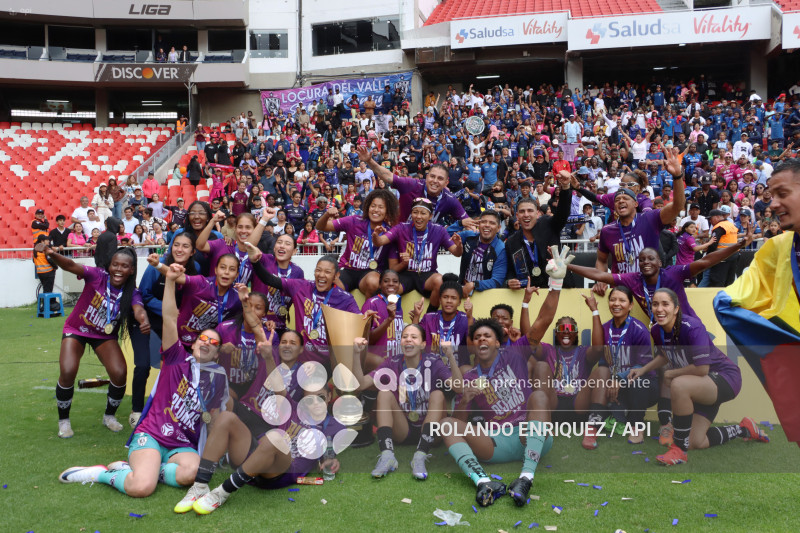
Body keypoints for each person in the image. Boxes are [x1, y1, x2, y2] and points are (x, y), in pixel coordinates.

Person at [58, 264, 228, 497]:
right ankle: (100, 474)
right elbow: (169, 317)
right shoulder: (177, 357)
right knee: (141, 487)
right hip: (153, 434)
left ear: (218, 354)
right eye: (203, 339)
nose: (207, 343)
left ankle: (149, 468)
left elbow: (215, 420)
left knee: (193, 473)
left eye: (214, 343)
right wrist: (169, 281)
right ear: (195, 343)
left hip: (181, 444)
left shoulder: (216, 380)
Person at [713, 158, 800, 444]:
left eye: (782, 194)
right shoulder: (777, 249)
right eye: (771, 195)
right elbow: (734, 297)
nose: (772, 204)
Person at [629, 289, 768, 465]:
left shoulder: (692, 327)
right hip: (700, 385)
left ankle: (678, 451)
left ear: (676, 308)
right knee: (696, 442)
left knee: (679, 384)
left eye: (665, 304)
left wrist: (672, 373)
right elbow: (665, 355)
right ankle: (743, 429)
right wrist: (643, 369)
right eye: (655, 304)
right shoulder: (657, 330)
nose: (659, 309)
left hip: (725, 378)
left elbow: (702, 369)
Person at [33, 245, 150, 438]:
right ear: (109, 265)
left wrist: (143, 320)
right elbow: (70, 265)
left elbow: (139, 310)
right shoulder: (97, 275)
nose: (118, 269)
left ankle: (109, 417)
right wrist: (52, 254)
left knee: (120, 373)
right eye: (115, 265)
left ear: (132, 270)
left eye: (124, 266)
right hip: (77, 329)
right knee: (68, 370)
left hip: (104, 335)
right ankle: (64, 421)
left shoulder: (132, 292)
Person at [350, 328, 462, 480]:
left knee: (438, 394)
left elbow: (459, 387)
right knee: (384, 393)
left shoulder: (433, 361)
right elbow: (360, 385)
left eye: (414, 337)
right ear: (401, 342)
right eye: (405, 337)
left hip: (430, 432)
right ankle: (387, 455)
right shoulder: (392, 362)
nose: (408, 339)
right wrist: (356, 354)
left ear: (422, 344)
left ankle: (420, 456)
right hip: (403, 430)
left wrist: (450, 355)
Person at [249, 247, 371, 364]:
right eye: (318, 270)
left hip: (331, 361)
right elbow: (270, 280)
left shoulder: (345, 298)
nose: (321, 275)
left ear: (336, 276)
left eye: (327, 272)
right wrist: (255, 262)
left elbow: (359, 323)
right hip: (303, 360)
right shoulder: (302, 287)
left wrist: (366, 318)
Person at [593, 146, 687, 294]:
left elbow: (677, 207)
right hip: (622, 292)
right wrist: (601, 279)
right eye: (617, 199)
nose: (621, 201)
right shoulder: (607, 230)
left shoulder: (649, 219)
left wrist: (677, 177)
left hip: (651, 289)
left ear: (636, 203)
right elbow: (601, 260)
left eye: (625, 198)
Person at [130, 232, 200, 426]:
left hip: (177, 326)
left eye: (185, 246)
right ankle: (137, 410)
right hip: (150, 323)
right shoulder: (156, 267)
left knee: (178, 367)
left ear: (193, 251)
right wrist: (168, 311)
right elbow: (144, 294)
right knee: (143, 366)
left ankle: (175, 407)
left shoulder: (197, 269)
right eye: (176, 245)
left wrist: (179, 316)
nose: (180, 249)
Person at [591, 286, 657, 444]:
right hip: (617, 387)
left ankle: (636, 427)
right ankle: (615, 415)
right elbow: (603, 363)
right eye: (612, 300)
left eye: (622, 300)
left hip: (643, 385)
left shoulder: (639, 330)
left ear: (630, 305)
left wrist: (620, 379)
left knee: (638, 382)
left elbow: (642, 366)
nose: (616, 303)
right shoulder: (605, 329)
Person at [358, 146, 478, 230]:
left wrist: (474, 229)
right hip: (398, 238)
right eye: (432, 176)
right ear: (426, 176)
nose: (435, 181)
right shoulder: (412, 185)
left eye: (440, 179)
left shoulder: (450, 199)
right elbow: (388, 176)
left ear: (446, 182)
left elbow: (468, 222)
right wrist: (369, 161)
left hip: (424, 246)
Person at [372, 198, 463, 308]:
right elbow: (380, 241)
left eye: (423, 213)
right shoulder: (402, 228)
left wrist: (459, 246)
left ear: (430, 216)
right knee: (389, 290)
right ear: (411, 214)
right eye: (415, 212)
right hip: (405, 274)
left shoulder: (439, 230)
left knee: (440, 281)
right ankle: (387, 315)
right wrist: (376, 236)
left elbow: (456, 253)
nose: (418, 216)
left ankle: (430, 315)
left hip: (427, 275)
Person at [316, 189, 400, 298]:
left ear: (387, 211)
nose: (376, 210)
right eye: (373, 206)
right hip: (347, 269)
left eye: (381, 207)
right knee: (330, 282)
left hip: (370, 272)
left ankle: (368, 312)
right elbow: (320, 226)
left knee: (374, 282)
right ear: (367, 207)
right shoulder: (354, 220)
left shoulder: (390, 232)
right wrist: (327, 214)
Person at [148, 253, 242, 349]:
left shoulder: (237, 299)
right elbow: (178, 276)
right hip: (176, 340)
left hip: (203, 347)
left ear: (237, 274)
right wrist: (157, 264)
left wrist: (246, 300)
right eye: (223, 267)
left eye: (232, 269)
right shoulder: (201, 283)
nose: (226, 272)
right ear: (216, 270)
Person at [504, 172, 572, 289]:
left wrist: (565, 188)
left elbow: (563, 213)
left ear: (537, 213)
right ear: (517, 215)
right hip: (527, 294)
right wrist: (509, 281)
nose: (526, 215)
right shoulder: (511, 242)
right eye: (522, 212)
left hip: (558, 289)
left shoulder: (548, 224)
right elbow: (510, 270)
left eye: (530, 211)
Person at [411, 274, 473, 371]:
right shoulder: (429, 318)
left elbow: (472, 348)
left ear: (459, 302)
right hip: (431, 369)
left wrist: (469, 318)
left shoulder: (466, 319)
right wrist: (416, 316)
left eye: (453, 298)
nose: (449, 301)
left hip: (457, 370)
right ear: (440, 300)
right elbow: (414, 343)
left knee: (467, 369)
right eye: (445, 297)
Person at [250, 233, 304, 337]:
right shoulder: (265, 260)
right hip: (257, 326)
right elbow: (249, 247)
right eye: (279, 242)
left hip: (280, 327)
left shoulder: (298, 272)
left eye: (287, 243)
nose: (282, 246)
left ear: (294, 251)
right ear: (274, 248)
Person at [197, 210, 266, 286]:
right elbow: (200, 245)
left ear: (254, 230)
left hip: (237, 297)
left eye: (248, 227)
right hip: (213, 295)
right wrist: (213, 221)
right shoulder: (223, 244)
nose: (243, 231)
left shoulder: (256, 256)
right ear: (235, 228)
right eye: (240, 227)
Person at [457, 210, 507, 296]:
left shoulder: (501, 249)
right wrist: (460, 223)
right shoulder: (469, 236)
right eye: (483, 222)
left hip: (484, 296)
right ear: (478, 224)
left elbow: (497, 281)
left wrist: (475, 284)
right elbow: (444, 235)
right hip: (462, 290)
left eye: (492, 223)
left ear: (499, 228)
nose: (487, 225)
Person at [361, 269, 406, 363]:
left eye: (395, 281)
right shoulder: (372, 303)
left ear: (399, 285)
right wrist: (389, 319)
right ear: (380, 285)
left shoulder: (397, 304)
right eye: (386, 281)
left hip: (395, 362)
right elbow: (367, 340)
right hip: (377, 363)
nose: (391, 284)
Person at [705, 208, 741, 287]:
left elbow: (713, 243)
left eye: (710, 219)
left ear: (716, 217)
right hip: (734, 256)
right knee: (729, 283)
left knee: (717, 282)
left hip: (722, 257)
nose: (710, 221)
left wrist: (708, 256)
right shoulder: (730, 225)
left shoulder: (719, 227)